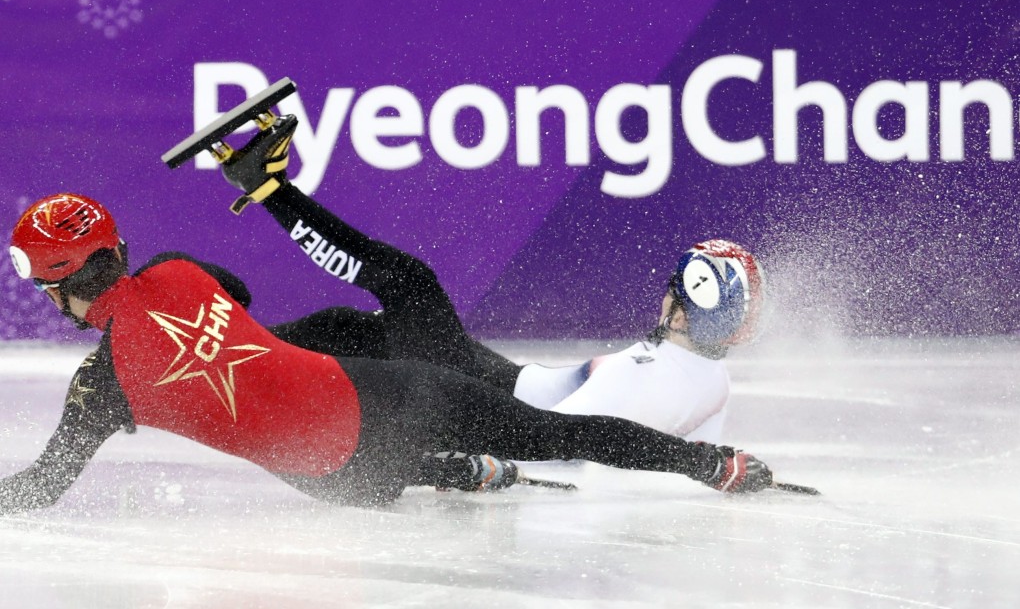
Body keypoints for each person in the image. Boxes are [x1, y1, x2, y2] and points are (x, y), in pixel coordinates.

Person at [0, 189, 774, 515]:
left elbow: (40, 488)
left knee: (289, 429)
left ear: (54, 287)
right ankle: (711, 466)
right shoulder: (174, 269)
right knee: (552, 433)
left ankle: (453, 471)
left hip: (339, 481)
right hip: (388, 401)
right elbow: (239, 296)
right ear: (117, 249)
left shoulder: (96, 389)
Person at [212, 114, 762, 444]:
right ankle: (217, 352)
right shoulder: (710, 378)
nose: (662, 298)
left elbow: (554, 441)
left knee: (408, 283)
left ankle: (267, 187)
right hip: (496, 383)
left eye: (672, 291)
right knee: (360, 329)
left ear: (685, 310)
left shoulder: (646, 373)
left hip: (479, 402)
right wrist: (711, 467)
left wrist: (458, 452)